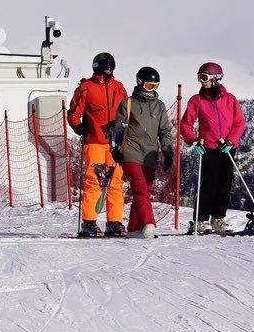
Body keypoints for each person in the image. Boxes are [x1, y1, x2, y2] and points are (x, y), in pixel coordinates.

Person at [178, 61, 248, 234]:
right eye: (199, 77)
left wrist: (231, 141)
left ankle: (218, 219)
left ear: (216, 78)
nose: (201, 81)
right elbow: (185, 124)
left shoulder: (229, 99)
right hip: (208, 148)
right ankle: (200, 220)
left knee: (224, 184)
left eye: (204, 77)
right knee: (208, 185)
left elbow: (239, 123)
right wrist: (194, 141)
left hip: (226, 147)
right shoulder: (197, 100)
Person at [67, 52, 128, 238]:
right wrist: (79, 128)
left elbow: (126, 113)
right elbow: (73, 113)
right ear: (97, 67)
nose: (108, 69)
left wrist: (120, 127)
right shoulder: (86, 88)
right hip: (94, 141)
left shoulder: (119, 88)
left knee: (116, 182)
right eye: (105, 65)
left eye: (111, 65)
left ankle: (114, 222)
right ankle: (89, 222)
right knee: (93, 182)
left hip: (115, 143)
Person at [113, 67, 175, 238]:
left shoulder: (159, 106)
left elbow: (164, 131)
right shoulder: (128, 103)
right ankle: (148, 224)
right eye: (149, 86)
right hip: (130, 151)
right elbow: (119, 129)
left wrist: (168, 152)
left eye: (155, 86)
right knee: (140, 188)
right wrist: (115, 149)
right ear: (140, 83)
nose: (152, 90)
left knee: (144, 192)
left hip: (150, 154)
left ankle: (133, 228)